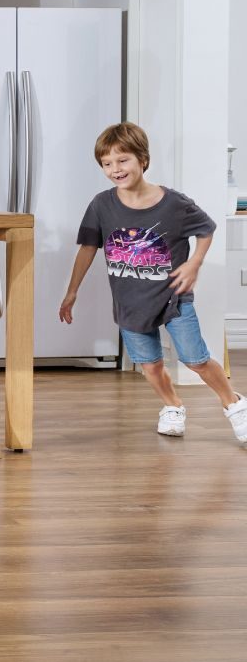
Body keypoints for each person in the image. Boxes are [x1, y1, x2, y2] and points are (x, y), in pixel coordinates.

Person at [60, 121, 247, 442]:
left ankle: (235, 404)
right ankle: (172, 406)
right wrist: (71, 291)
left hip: (173, 299)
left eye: (123, 160)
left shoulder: (174, 204)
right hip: (130, 302)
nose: (115, 169)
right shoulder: (101, 205)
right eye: (107, 164)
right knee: (149, 364)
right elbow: (88, 246)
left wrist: (194, 264)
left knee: (195, 359)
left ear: (142, 160)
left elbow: (206, 228)